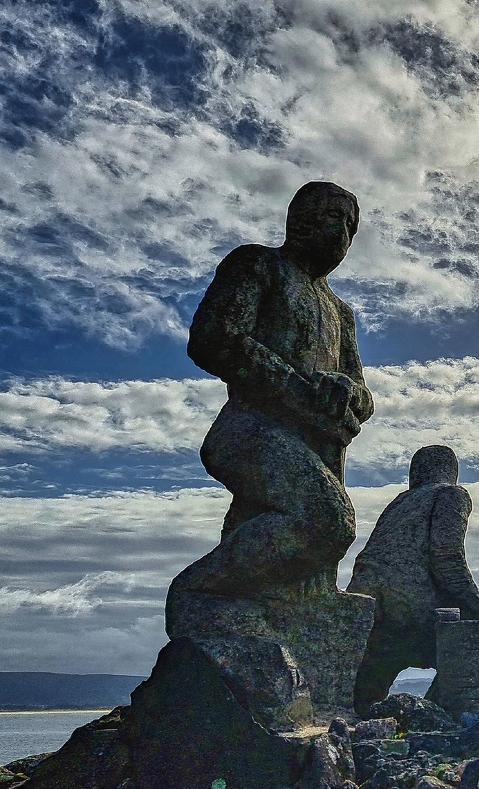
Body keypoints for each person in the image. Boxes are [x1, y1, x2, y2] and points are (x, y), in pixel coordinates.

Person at [175, 181, 374, 597]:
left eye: (352, 228)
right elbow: (215, 337)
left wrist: (347, 395)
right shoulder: (258, 265)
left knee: (297, 569)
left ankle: (248, 614)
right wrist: (298, 389)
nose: (344, 235)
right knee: (326, 519)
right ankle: (200, 594)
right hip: (250, 431)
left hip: (318, 447)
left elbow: (362, 394)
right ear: (302, 220)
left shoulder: (340, 312)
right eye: (335, 218)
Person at [348, 445, 479, 714]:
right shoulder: (451, 494)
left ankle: (365, 718)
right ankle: (438, 714)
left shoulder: (400, 502)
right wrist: (477, 602)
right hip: (410, 603)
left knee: (373, 679)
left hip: (372, 603)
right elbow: (446, 556)